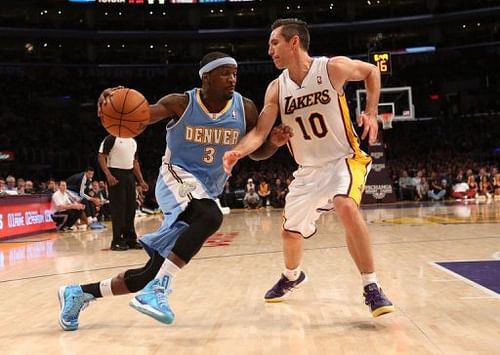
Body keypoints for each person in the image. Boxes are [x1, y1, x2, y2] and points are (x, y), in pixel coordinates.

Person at [57, 52, 285, 331]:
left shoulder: (245, 108)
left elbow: (256, 151)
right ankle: (158, 291)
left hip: (206, 189)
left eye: (235, 73)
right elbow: (143, 115)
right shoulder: (181, 103)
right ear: (206, 77)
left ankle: (80, 293)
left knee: (151, 271)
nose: (232, 79)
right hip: (177, 176)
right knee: (211, 216)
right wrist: (115, 103)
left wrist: (272, 143)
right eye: (225, 73)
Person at [223, 18, 394, 317]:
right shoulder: (276, 88)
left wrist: (370, 112)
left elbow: (370, 72)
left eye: (274, 43)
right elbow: (261, 132)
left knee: (345, 205)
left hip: (343, 159)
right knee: (290, 233)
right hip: (307, 170)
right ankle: (292, 276)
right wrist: (237, 151)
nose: (270, 50)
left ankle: (372, 286)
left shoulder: (331, 68)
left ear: (294, 42)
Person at [98, 135, 148, 251]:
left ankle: (130, 239)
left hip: (129, 175)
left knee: (131, 208)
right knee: (118, 208)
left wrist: (141, 180)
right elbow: (101, 156)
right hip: (115, 173)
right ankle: (116, 240)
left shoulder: (132, 141)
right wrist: (108, 175)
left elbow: (134, 162)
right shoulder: (111, 138)